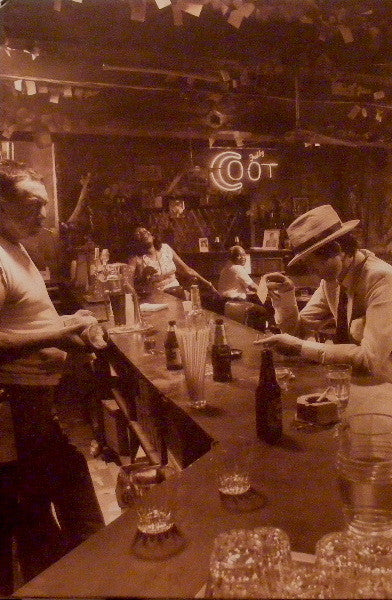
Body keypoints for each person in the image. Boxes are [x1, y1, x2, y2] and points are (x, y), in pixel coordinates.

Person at [0, 159, 105, 584]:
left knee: (65, 502)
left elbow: (20, 320)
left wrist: (69, 325)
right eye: (32, 204)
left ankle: (88, 577)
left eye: (44, 204)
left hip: (39, 405)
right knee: (48, 515)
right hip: (18, 412)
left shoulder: (14, 246)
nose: (43, 214)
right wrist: (59, 333)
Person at [255, 204, 392, 406]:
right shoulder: (332, 281)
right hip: (376, 383)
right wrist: (286, 296)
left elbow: (369, 359)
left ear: (338, 251)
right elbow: (297, 332)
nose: (309, 269)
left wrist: (300, 347)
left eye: (311, 261)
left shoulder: (382, 280)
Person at [128, 226, 218, 301]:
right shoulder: (136, 258)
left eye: (145, 231)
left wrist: (209, 285)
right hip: (156, 298)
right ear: (135, 242)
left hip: (177, 293)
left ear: (153, 236)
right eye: (139, 234)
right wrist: (143, 277)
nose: (143, 233)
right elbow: (129, 282)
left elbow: (188, 270)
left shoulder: (166, 248)